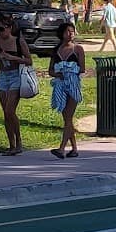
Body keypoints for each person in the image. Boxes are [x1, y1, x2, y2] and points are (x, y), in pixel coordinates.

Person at [0, 16, 34, 156]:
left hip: (15, 76)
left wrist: (13, 58)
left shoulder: (18, 41)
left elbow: (29, 61)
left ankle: (18, 142)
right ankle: (11, 145)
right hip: (3, 77)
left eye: (2, 29)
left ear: (10, 28)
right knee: (6, 113)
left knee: (10, 110)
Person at [47, 21, 86, 159]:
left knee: (68, 117)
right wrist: (58, 73)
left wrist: (70, 70)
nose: (71, 34)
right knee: (67, 119)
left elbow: (82, 68)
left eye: (72, 31)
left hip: (73, 83)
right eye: (68, 31)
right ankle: (74, 149)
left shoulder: (78, 49)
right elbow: (50, 70)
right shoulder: (56, 50)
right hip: (60, 84)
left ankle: (62, 148)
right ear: (62, 34)